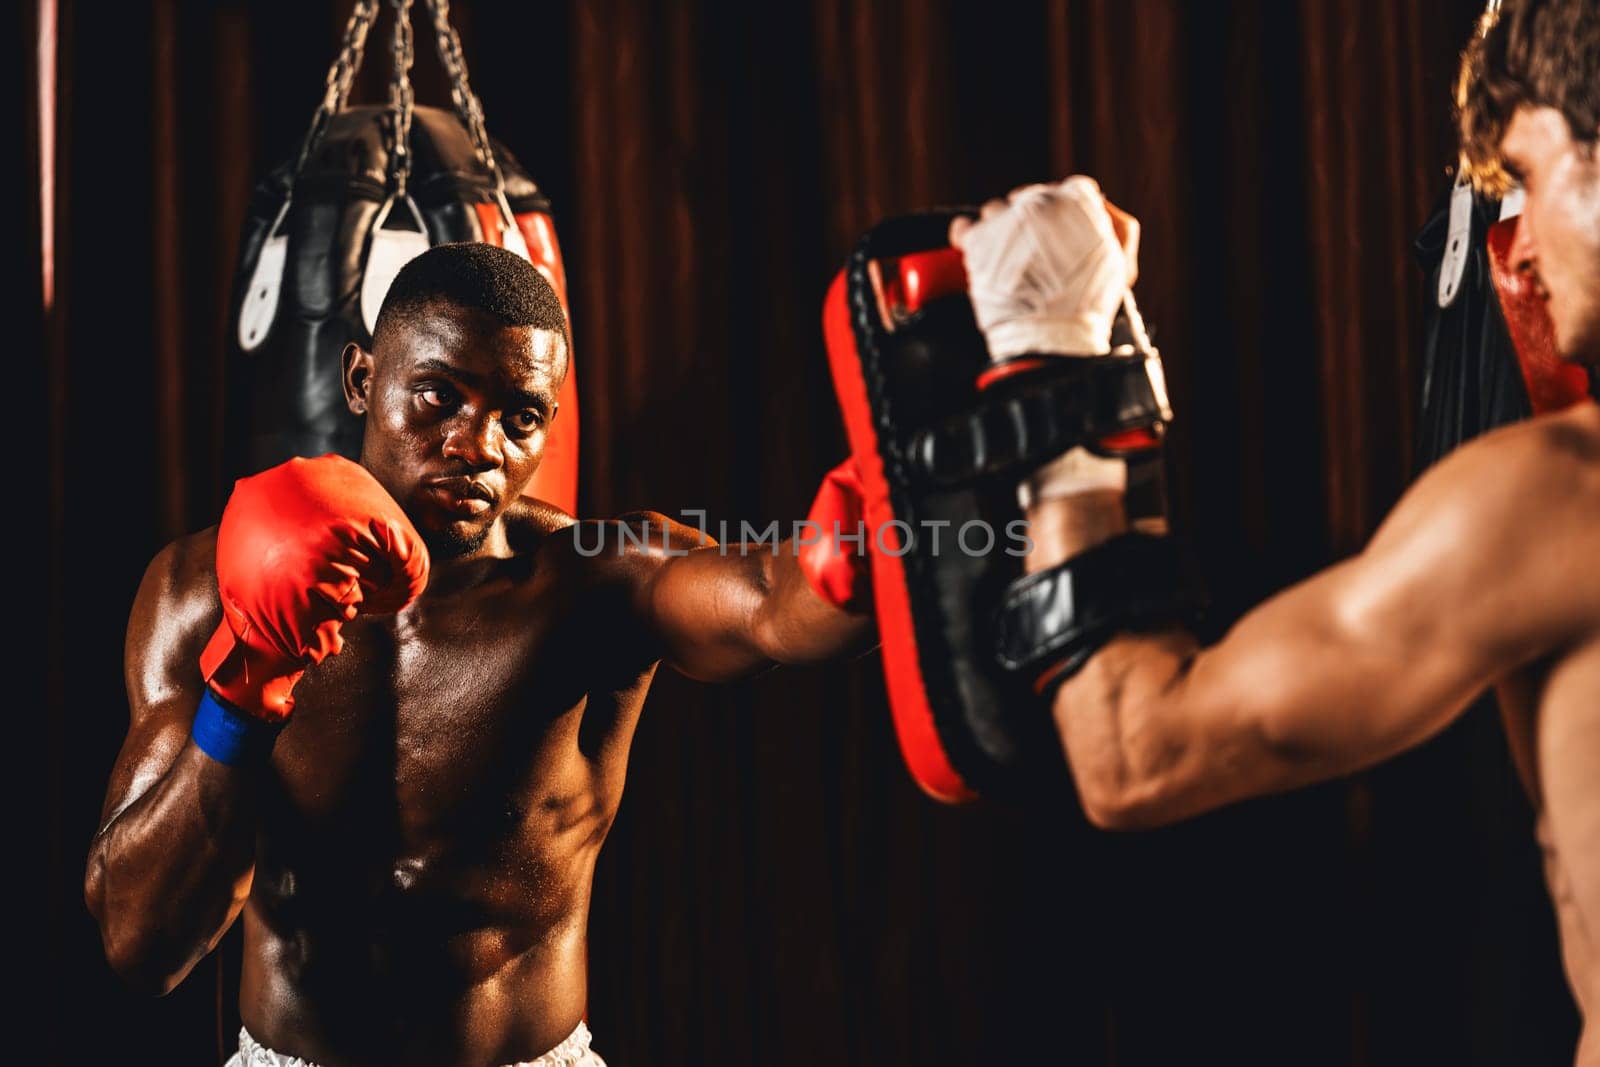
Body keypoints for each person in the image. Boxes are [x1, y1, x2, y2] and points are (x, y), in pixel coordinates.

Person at [943, 0, 1600, 1052]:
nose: (1513, 254)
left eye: (1528, 175)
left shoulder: (1560, 499)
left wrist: (1060, 371)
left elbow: (1134, 751)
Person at [84, 242, 875, 1066]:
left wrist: (884, 520)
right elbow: (138, 942)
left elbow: (774, 604)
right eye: (437, 396)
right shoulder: (199, 589)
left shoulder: (602, 582)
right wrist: (249, 676)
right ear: (361, 380)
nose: (478, 443)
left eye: (519, 415)